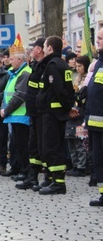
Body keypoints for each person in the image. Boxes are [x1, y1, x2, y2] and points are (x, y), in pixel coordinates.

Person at [36, 36, 75, 195]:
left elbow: (59, 90)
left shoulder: (52, 65)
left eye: (45, 46)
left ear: (50, 48)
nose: (43, 48)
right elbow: (69, 89)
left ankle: (58, 183)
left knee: (53, 147)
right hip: (55, 113)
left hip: (52, 114)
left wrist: (66, 107)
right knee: (53, 146)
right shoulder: (62, 63)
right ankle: (53, 179)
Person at [16, 38, 47, 190]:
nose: (31, 50)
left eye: (33, 47)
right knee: (33, 147)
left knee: (42, 147)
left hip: (41, 113)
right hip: (33, 113)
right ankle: (32, 177)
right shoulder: (36, 65)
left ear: (39, 49)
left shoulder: (46, 66)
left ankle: (47, 179)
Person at [0, 38, 32, 181]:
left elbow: (19, 96)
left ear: (20, 59)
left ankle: (26, 172)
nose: (10, 61)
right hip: (15, 115)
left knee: (23, 146)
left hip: (21, 115)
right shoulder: (15, 73)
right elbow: (8, 93)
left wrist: (6, 110)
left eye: (12, 59)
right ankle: (22, 170)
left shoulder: (24, 73)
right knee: (17, 145)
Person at [86, 29, 103, 205]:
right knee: (98, 158)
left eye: (99, 38)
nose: (96, 41)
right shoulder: (99, 62)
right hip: (96, 122)